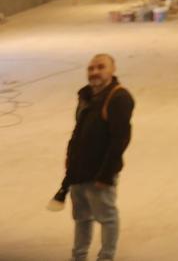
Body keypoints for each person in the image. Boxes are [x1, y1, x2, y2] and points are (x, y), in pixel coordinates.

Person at [65, 53, 135, 261]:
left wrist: (106, 175)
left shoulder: (119, 97)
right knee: (82, 218)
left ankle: (106, 257)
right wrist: (70, 161)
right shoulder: (86, 96)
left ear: (112, 70)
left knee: (107, 217)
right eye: (91, 68)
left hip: (100, 172)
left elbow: (120, 140)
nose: (94, 72)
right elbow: (78, 130)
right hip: (78, 170)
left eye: (100, 67)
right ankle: (79, 256)